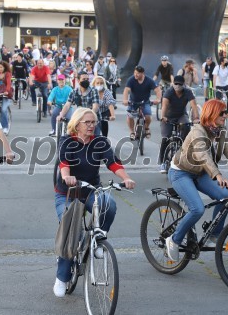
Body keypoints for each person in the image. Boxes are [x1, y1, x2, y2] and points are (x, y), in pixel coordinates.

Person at [52, 107, 135, 297]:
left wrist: (127, 177)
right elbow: (64, 164)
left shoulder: (99, 142)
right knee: (72, 231)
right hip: (68, 193)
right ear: (77, 124)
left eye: (93, 122)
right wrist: (67, 177)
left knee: (109, 204)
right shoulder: (67, 141)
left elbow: (112, 163)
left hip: (90, 190)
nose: (91, 126)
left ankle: (98, 239)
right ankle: (62, 277)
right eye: (87, 122)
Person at [165, 99, 228, 261]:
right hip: (181, 173)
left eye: (226, 112)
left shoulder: (221, 132)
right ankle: (174, 240)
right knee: (197, 209)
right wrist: (218, 175)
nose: (225, 116)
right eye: (222, 113)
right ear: (212, 113)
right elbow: (203, 156)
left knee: (226, 196)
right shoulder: (197, 131)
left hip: (201, 173)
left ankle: (215, 234)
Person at [159, 75, 200, 173]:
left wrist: (197, 118)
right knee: (166, 137)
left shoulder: (187, 92)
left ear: (183, 85)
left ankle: (183, 151)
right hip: (168, 116)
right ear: (173, 83)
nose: (177, 86)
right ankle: (163, 163)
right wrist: (163, 116)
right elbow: (164, 105)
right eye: (175, 83)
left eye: (179, 84)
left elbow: (193, 105)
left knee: (186, 126)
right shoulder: (169, 92)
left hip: (181, 115)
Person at [123, 65, 161, 140]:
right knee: (130, 116)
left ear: (142, 73)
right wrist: (125, 100)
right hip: (133, 102)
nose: (135, 75)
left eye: (137, 73)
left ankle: (146, 128)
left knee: (148, 116)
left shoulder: (149, 80)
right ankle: (132, 132)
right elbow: (126, 90)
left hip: (145, 102)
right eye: (134, 73)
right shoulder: (131, 79)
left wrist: (158, 99)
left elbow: (157, 90)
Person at [57, 71, 101, 136]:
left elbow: (95, 107)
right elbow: (67, 105)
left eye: (87, 79)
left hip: (93, 119)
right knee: (69, 134)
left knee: (95, 140)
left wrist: (89, 117)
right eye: (83, 79)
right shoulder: (74, 92)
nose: (86, 81)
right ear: (78, 80)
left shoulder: (94, 91)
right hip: (80, 119)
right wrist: (61, 115)